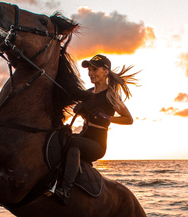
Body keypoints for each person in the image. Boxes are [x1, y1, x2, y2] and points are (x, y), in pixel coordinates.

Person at [55, 54, 137, 205]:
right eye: (89, 70)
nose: (91, 73)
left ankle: (65, 190)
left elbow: (129, 120)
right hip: (83, 136)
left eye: (95, 69)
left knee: (75, 143)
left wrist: (107, 117)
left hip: (97, 144)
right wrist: (79, 110)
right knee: (62, 139)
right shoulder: (88, 92)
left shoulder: (111, 95)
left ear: (106, 71)